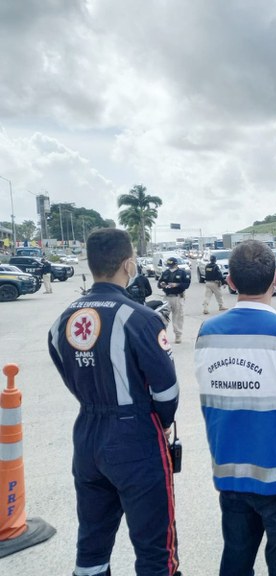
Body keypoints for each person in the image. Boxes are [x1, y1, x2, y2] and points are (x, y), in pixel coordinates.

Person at [48, 228, 181, 576]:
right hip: (134, 436)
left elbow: (68, 375)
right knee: (155, 547)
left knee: (92, 542)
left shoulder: (62, 319)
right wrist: (161, 424)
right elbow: (166, 392)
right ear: (128, 264)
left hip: (87, 434)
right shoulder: (140, 318)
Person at [194, 239, 276, 576]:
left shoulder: (207, 333)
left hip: (231, 474)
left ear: (231, 282)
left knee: (236, 562)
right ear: (275, 278)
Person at [158, 256, 190, 343]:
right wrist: (162, 284)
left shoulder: (182, 273)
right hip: (167, 297)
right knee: (163, 317)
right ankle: (162, 336)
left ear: (176, 264)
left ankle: (178, 336)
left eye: (171, 265)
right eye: (169, 265)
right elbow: (159, 284)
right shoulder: (165, 273)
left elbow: (186, 285)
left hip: (177, 297)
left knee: (178, 317)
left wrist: (177, 285)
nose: (170, 267)